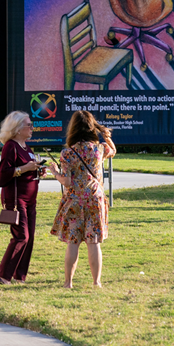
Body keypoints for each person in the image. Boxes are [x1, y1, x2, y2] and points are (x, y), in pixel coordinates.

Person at [48, 110, 116, 289]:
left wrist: (55, 173)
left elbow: (67, 182)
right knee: (94, 242)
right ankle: (96, 282)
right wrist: (106, 136)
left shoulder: (67, 154)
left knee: (73, 242)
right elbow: (113, 151)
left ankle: (68, 283)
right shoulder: (99, 150)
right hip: (95, 198)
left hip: (74, 201)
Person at [0, 111, 44, 285]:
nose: (32, 128)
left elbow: (26, 168)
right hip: (16, 199)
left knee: (29, 238)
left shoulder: (26, 147)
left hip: (30, 199)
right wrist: (24, 168)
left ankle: (19, 276)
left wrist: (37, 169)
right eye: (28, 125)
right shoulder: (10, 146)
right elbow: (3, 174)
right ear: (17, 129)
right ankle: (2, 276)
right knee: (22, 236)